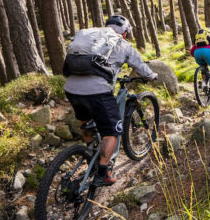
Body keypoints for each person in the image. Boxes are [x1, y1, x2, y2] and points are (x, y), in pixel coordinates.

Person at [62, 15, 158, 187]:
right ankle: (104, 173)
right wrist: (152, 76)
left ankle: (91, 151)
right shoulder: (123, 44)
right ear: (125, 32)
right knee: (112, 131)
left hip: (71, 88)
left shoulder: (93, 38)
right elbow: (141, 66)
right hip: (97, 91)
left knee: (86, 121)